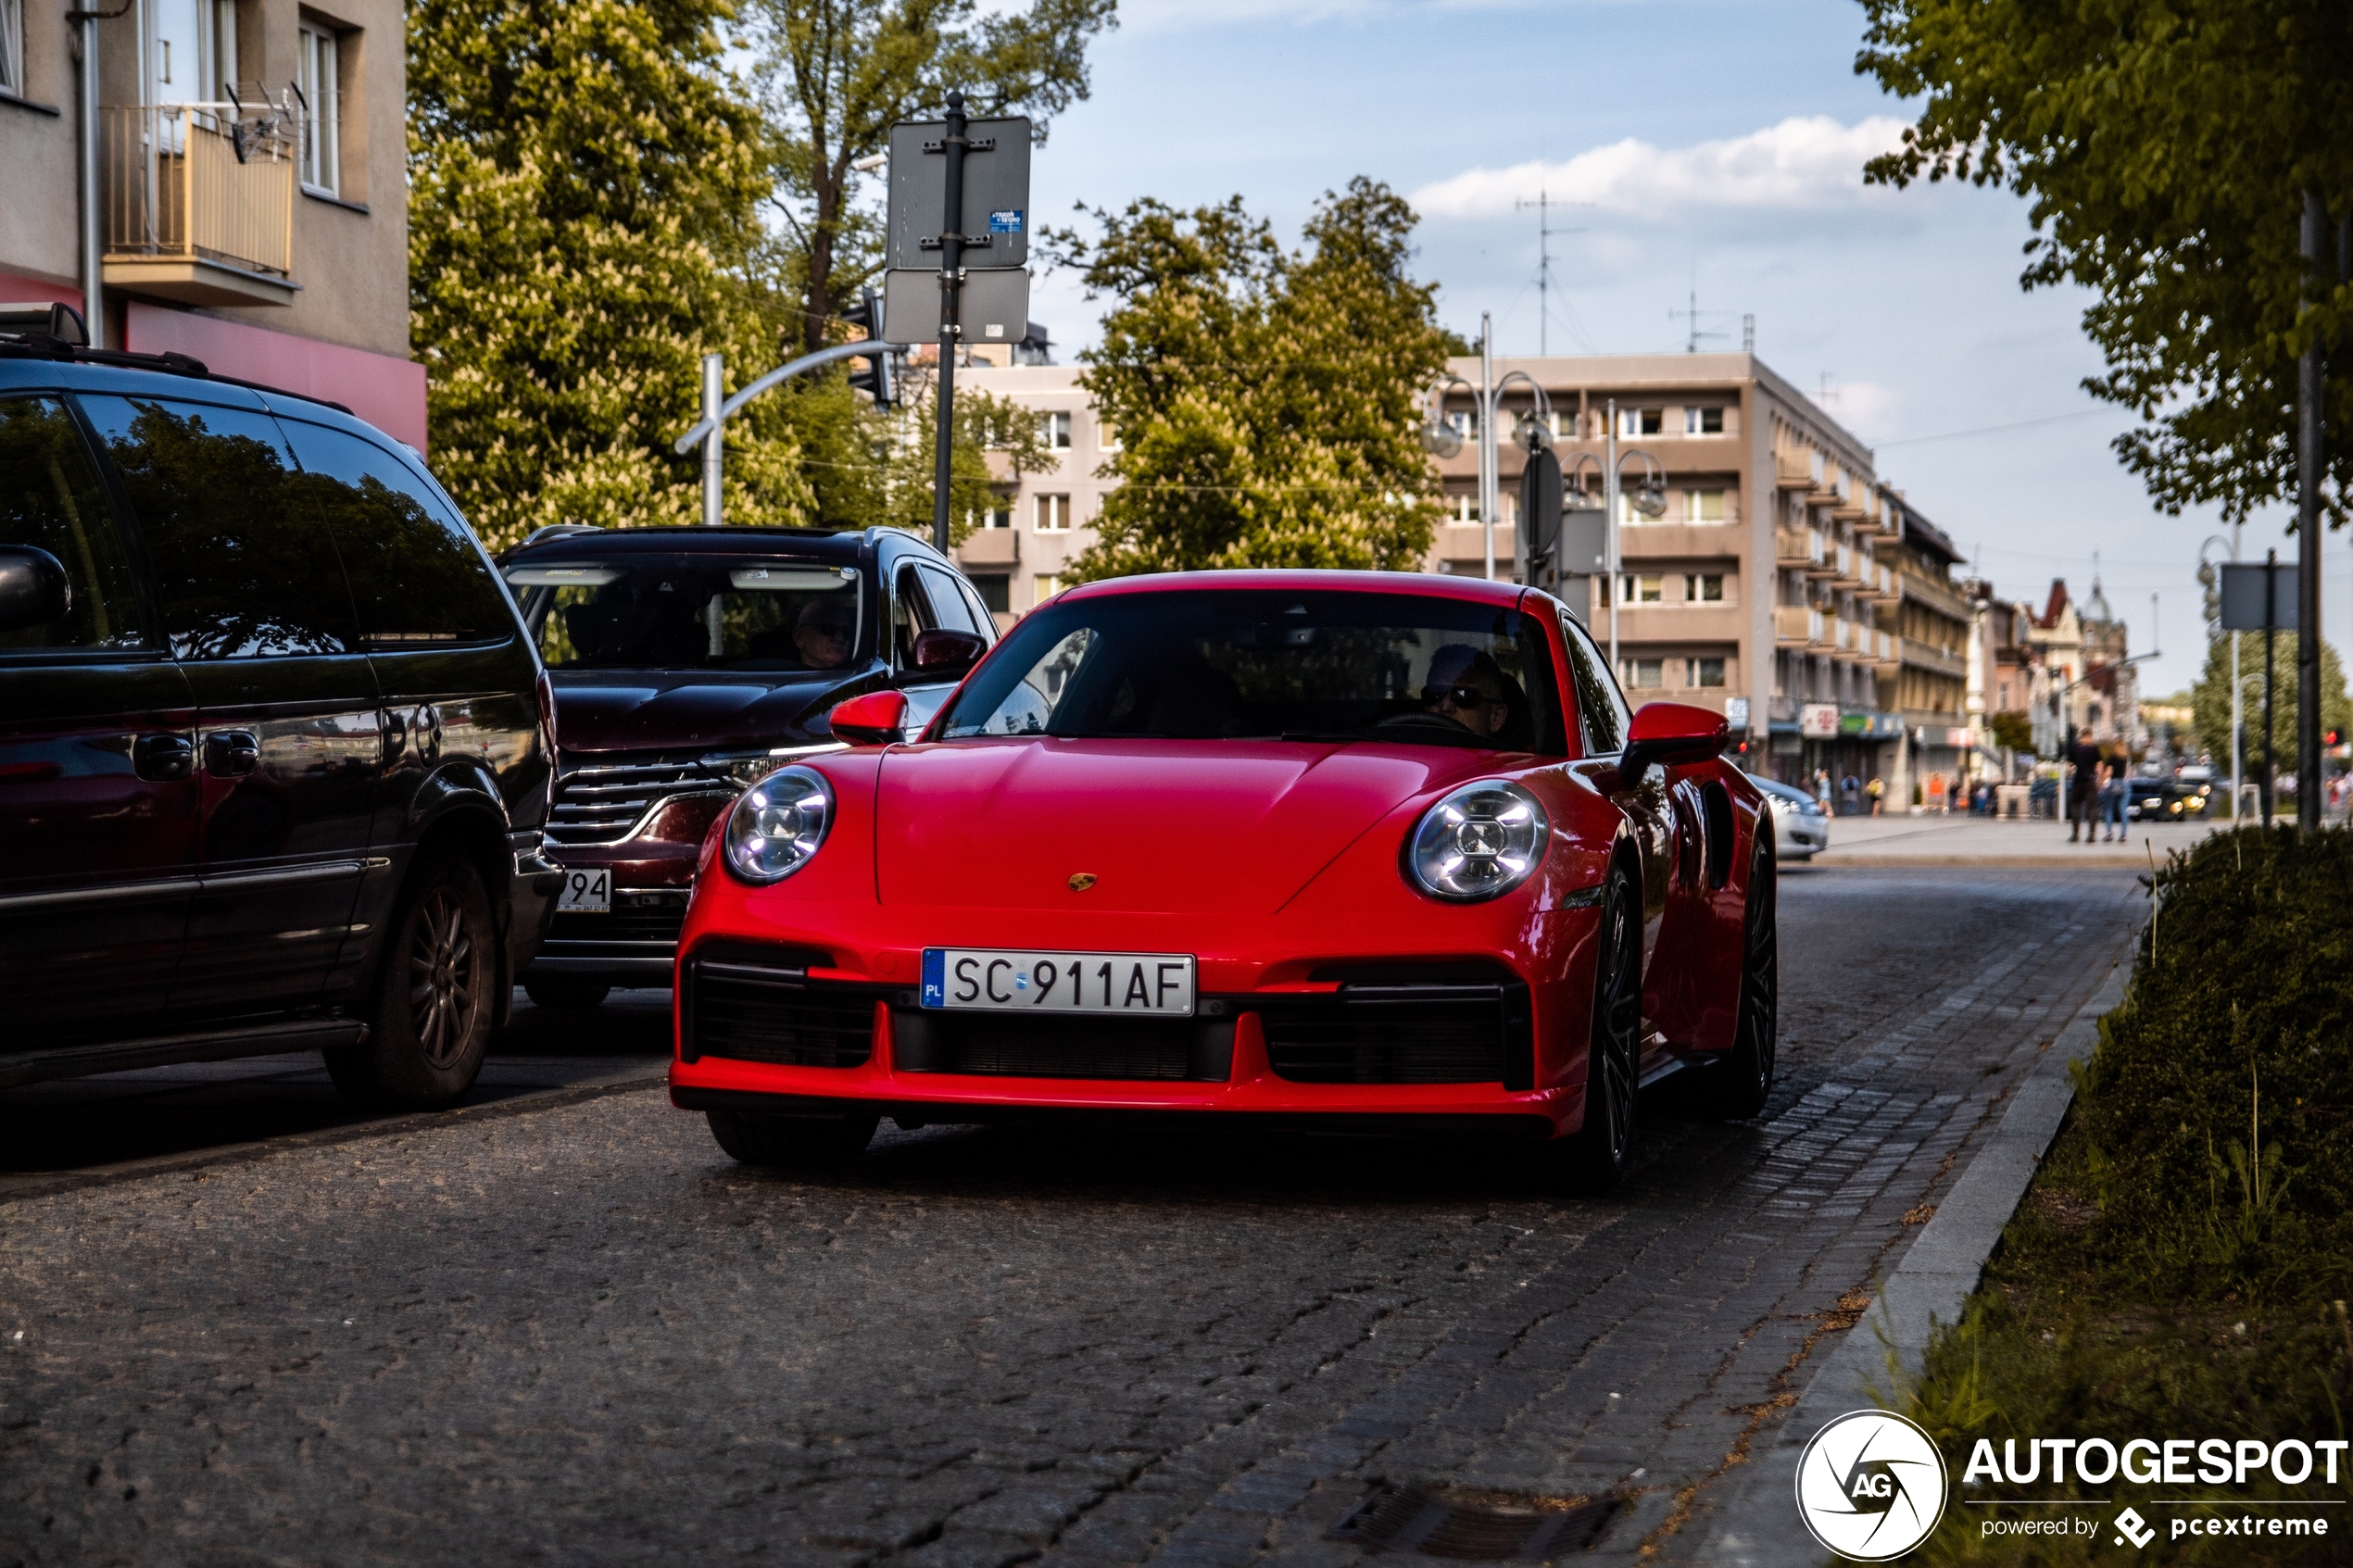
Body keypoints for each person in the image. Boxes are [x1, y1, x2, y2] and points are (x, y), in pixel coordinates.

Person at [1416, 645, 1514, 740]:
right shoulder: (1403, 752)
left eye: (1463, 695)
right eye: (1434, 694)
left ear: (1496, 716)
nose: (1445, 707)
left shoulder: (1519, 757)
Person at [791, 596, 857, 671]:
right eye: (828, 629)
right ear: (799, 637)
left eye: (847, 631)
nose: (840, 638)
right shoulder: (783, 677)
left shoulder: (861, 677)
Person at [2066, 727, 2101, 843]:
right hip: (2090, 781)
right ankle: (2091, 835)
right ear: (2089, 736)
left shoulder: (2075, 748)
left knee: (2076, 806)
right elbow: (2099, 765)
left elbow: (2070, 765)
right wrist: (2099, 780)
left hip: (2078, 780)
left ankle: (2075, 834)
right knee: (2092, 808)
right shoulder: (2094, 749)